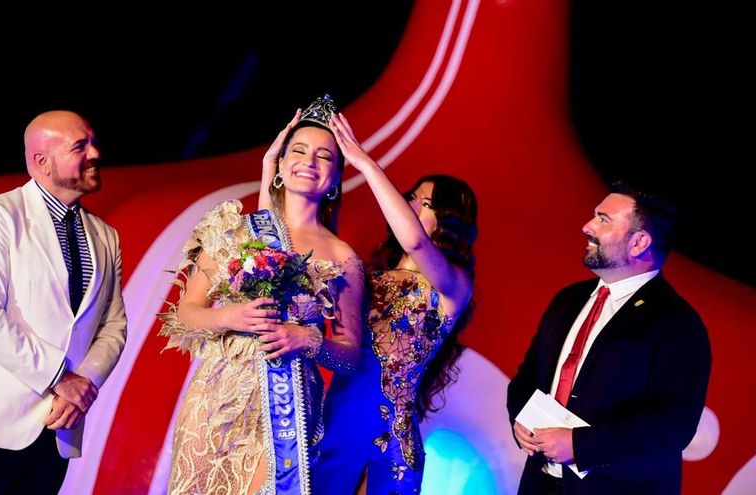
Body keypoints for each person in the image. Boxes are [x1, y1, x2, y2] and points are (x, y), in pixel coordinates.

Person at [159, 95, 364, 495]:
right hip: (216, 398)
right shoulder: (236, 228)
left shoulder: (342, 257)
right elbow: (186, 312)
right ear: (281, 165)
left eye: (324, 156)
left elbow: (352, 355)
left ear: (337, 177)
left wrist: (309, 339)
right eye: (299, 151)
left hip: (286, 410)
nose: (310, 161)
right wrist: (229, 317)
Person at [0, 110, 128, 494]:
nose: (95, 153)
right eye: (80, 146)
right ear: (42, 161)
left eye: (91, 142)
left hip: (57, 430)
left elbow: (114, 326)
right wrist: (61, 379)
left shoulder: (106, 236)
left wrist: (83, 387)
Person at [289, 114, 477, 494]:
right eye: (408, 198)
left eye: (419, 202)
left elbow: (417, 243)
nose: (406, 206)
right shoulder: (366, 276)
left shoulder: (454, 285)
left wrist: (363, 161)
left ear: (448, 220)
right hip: (335, 424)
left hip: (391, 442)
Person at [506, 182, 711, 495]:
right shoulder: (568, 299)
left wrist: (580, 445)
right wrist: (520, 419)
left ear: (639, 242)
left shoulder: (677, 323)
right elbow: (527, 377)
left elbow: (673, 426)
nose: (587, 226)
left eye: (604, 219)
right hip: (541, 484)